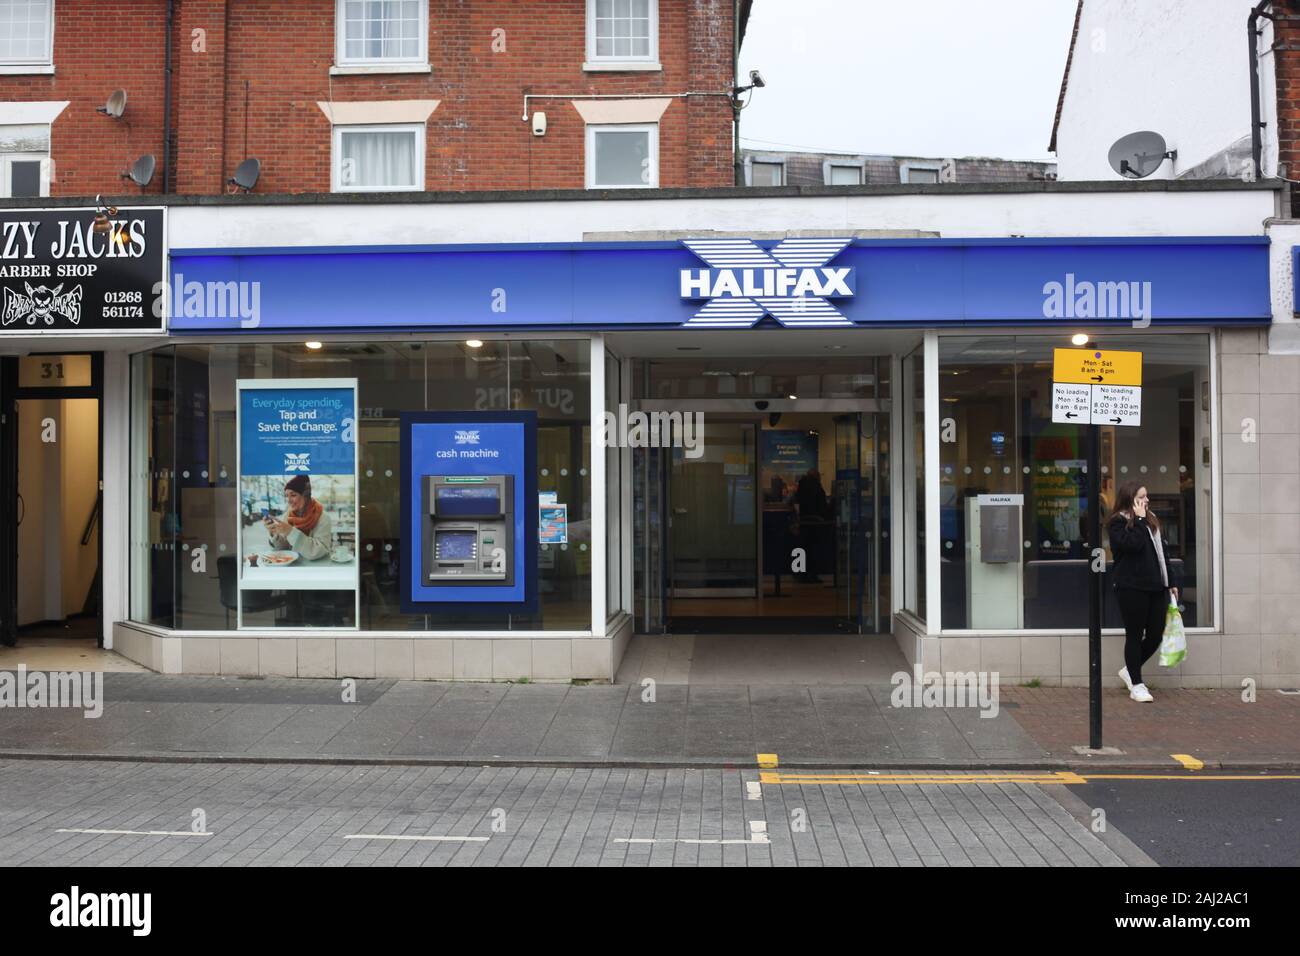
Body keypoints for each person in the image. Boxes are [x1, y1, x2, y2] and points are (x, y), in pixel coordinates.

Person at [1106, 481, 1178, 703]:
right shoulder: (1116, 522)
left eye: (1146, 497)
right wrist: (1137, 519)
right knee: (1135, 635)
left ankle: (1129, 670)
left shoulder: (1151, 519)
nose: (1147, 500)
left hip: (1156, 586)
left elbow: (1161, 552)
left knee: (1156, 634)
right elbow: (1132, 545)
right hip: (1131, 588)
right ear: (1130, 499)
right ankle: (1136, 684)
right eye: (1142, 497)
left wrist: (1170, 582)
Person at [265, 474, 333, 561]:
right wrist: (274, 533)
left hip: (316, 569)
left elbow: (318, 551)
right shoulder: (288, 515)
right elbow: (285, 548)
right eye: (287, 496)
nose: (289, 501)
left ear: (305, 496)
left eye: (293, 495)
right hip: (294, 568)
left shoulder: (323, 518)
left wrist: (290, 531)